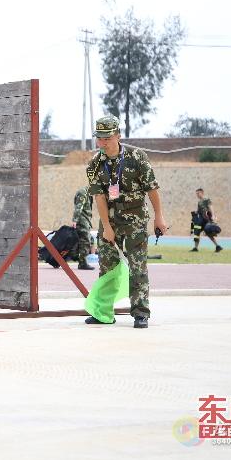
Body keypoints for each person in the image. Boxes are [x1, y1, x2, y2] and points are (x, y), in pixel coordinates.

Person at [85, 115, 167, 329]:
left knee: (137, 267)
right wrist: (107, 228)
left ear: (118, 136)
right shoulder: (95, 163)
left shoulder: (137, 157)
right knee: (107, 268)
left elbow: (152, 188)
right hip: (109, 219)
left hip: (135, 221)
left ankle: (140, 313)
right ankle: (103, 313)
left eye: (107, 138)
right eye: (99, 138)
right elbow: (99, 197)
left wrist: (159, 217)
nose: (102, 143)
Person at [190, 188, 222, 252]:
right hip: (201, 220)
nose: (197, 195)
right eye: (196, 194)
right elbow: (199, 211)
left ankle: (217, 246)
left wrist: (213, 215)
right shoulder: (199, 202)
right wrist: (195, 213)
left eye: (198, 193)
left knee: (208, 233)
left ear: (202, 193)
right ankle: (195, 248)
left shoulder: (206, 199)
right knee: (197, 232)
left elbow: (210, 206)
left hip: (207, 219)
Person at [71, 186, 95, 270]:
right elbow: (79, 207)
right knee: (86, 241)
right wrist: (75, 220)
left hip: (85, 220)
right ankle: (82, 263)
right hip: (82, 220)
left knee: (88, 240)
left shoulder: (88, 193)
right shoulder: (83, 192)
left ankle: (77, 258)